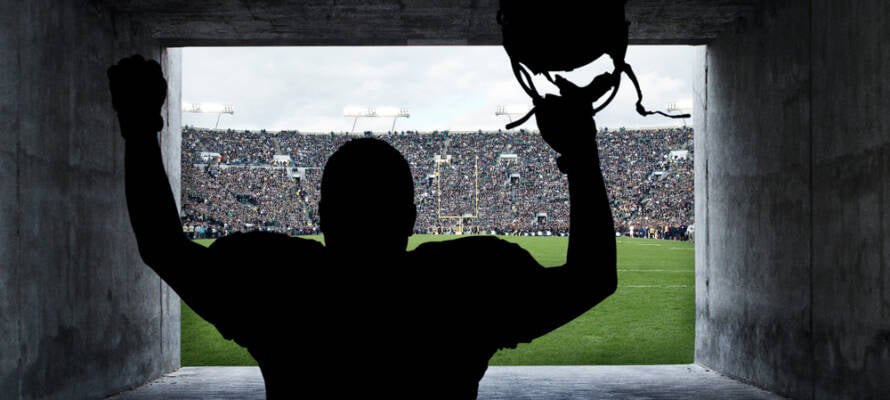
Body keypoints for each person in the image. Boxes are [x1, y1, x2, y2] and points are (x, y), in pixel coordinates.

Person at [108, 54, 617, 399]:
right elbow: (593, 278)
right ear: (412, 218)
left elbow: (161, 246)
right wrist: (579, 147)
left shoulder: (280, 283)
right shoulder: (464, 283)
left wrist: (139, 124)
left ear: (323, 216)